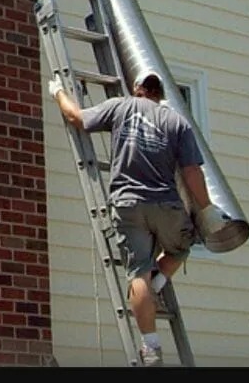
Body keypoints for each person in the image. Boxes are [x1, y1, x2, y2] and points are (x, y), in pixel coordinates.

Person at [48, 68, 213, 368]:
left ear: (137, 87)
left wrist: (58, 91)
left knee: (138, 273)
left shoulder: (120, 106)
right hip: (165, 205)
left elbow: (77, 118)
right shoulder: (177, 122)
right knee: (183, 246)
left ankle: (151, 348)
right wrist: (207, 208)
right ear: (160, 92)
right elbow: (192, 172)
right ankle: (157, 284)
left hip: (127, 205)